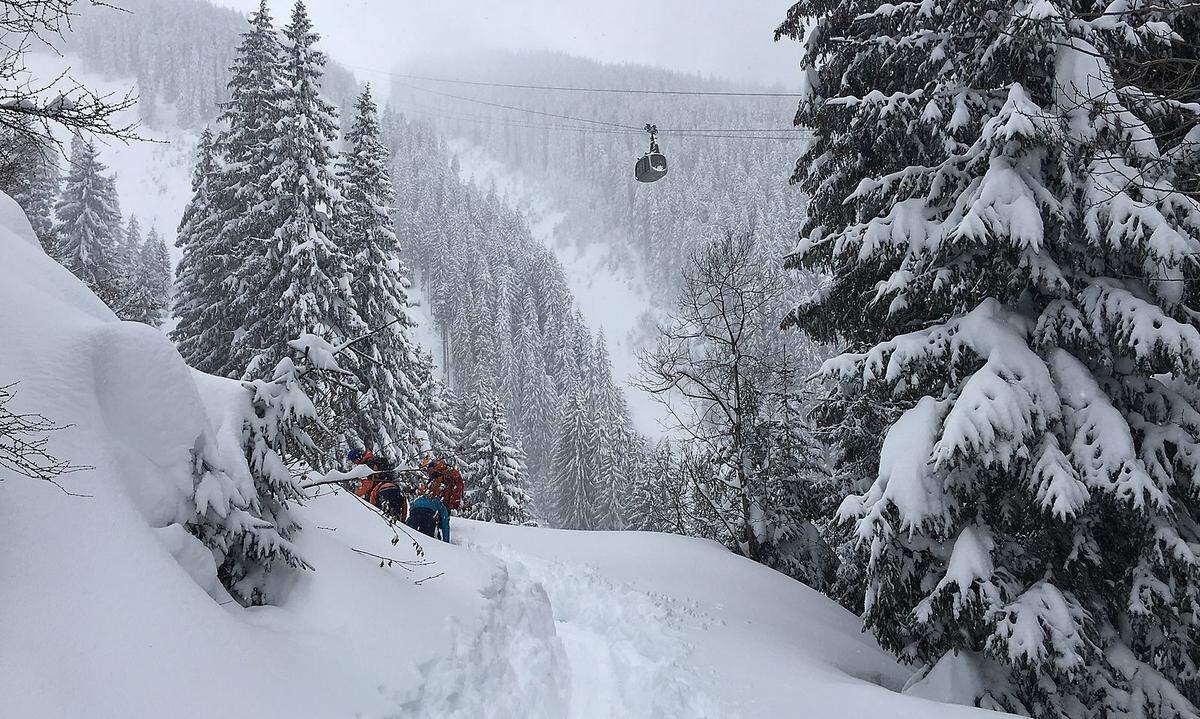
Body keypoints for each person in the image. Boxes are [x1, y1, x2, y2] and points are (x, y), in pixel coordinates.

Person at [350, 448, 408, 522]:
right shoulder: (375, 461)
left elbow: (368, 485)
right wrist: (403, 520)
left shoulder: (367, 466)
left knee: (381, 518)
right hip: (394, 488)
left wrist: (355, 494)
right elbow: (403, 504)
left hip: (381, 491)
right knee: (395, 516)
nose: (355, 463)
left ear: (358, 457)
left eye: (354, 461)